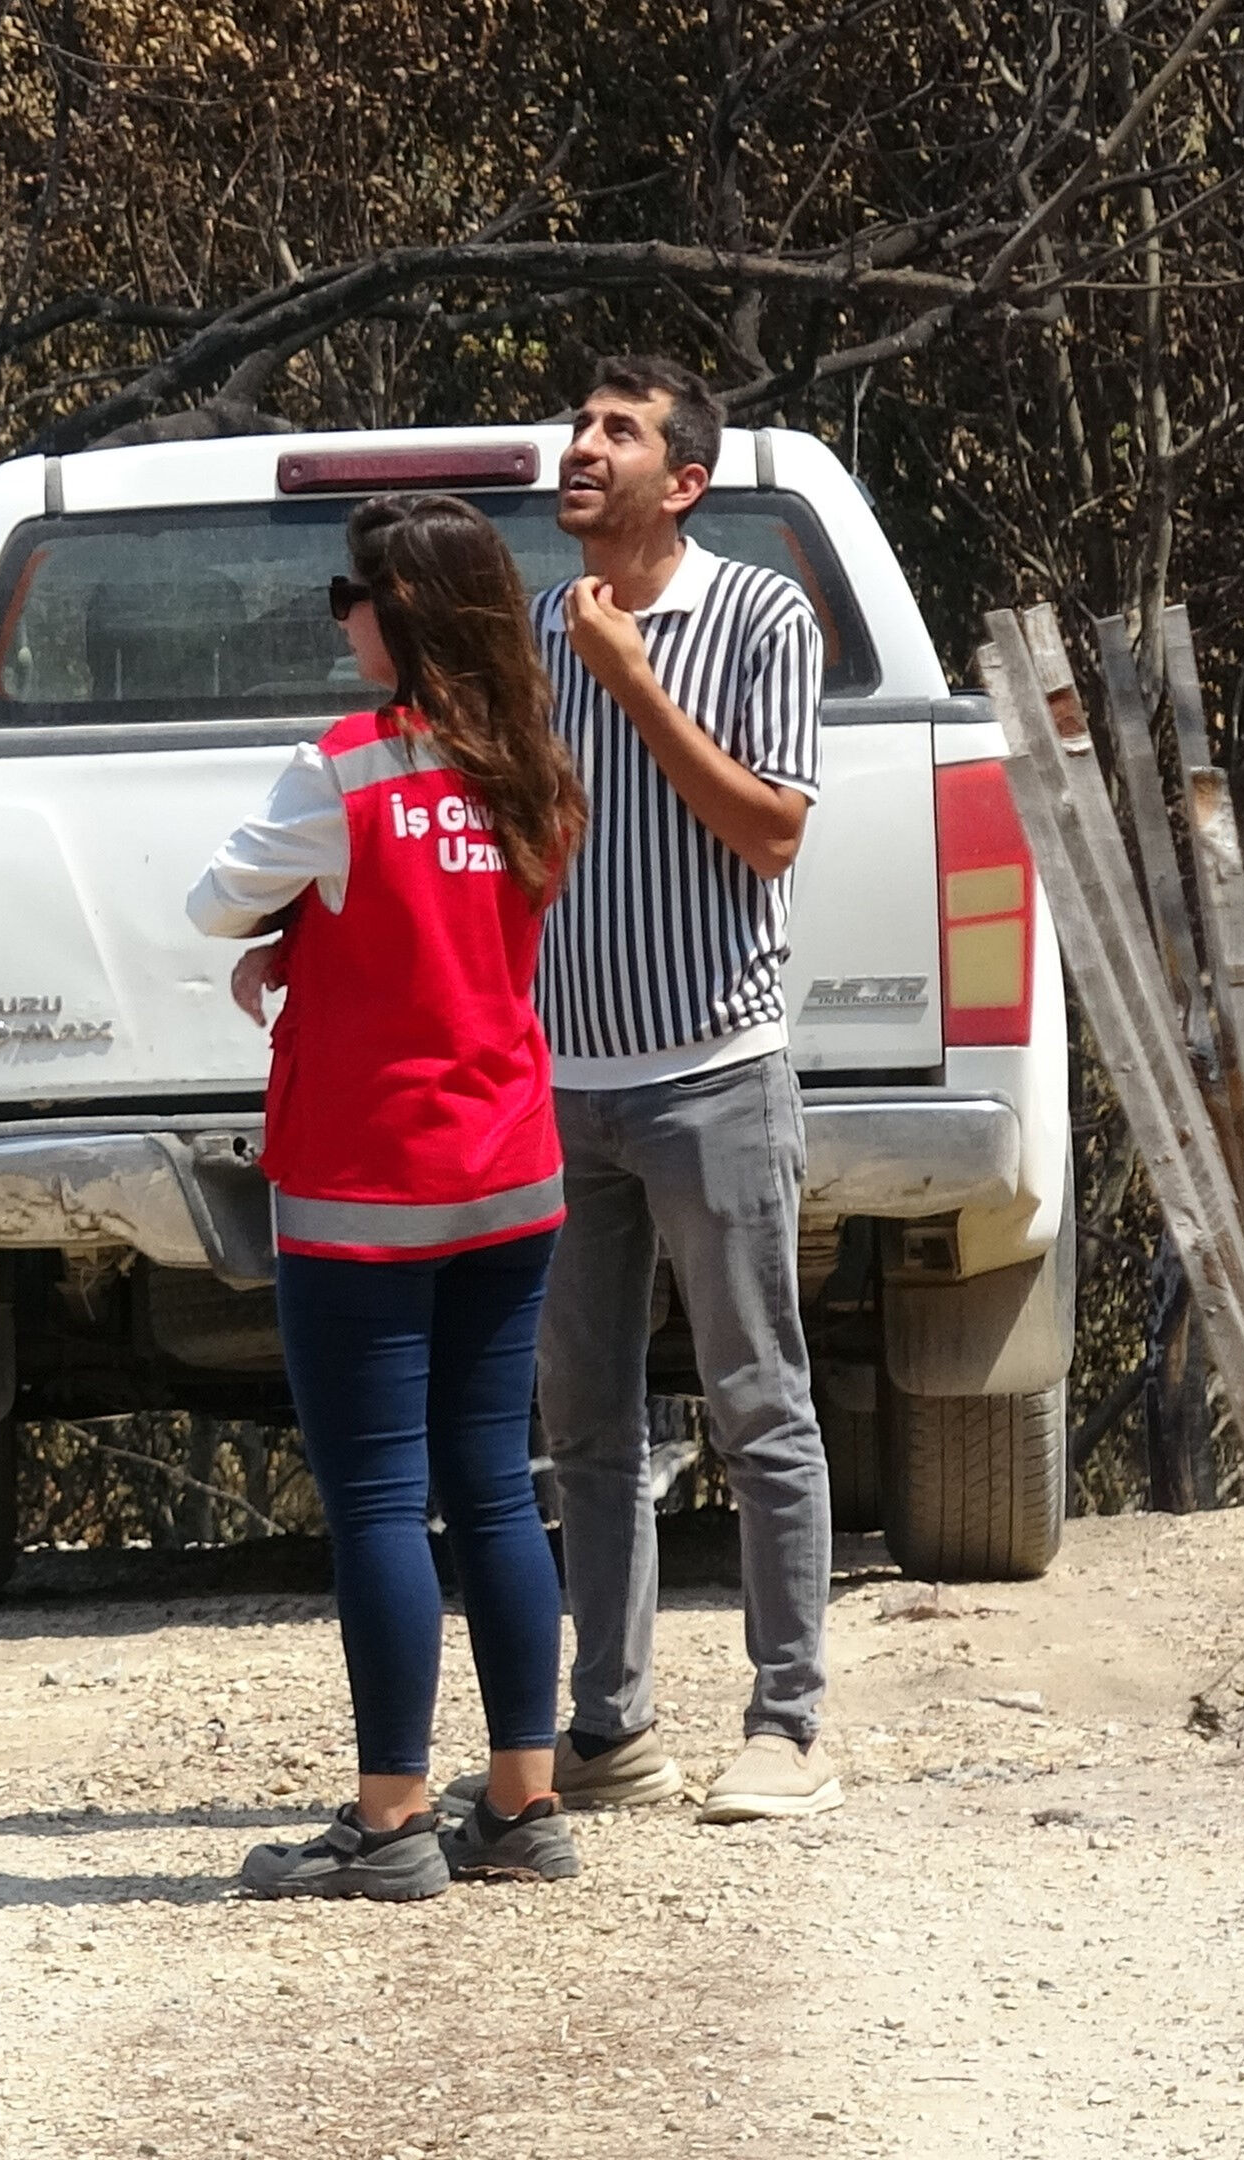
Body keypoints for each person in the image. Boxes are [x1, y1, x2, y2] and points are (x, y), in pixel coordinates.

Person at [187, 492, 590, 1900]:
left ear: (398, 615)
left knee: (375, 1501)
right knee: (495, 1488)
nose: (340, 622)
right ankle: (525, 1802)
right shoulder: (537, 771)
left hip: (366, 1183)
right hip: (509, 1171)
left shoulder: (343, 770)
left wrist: (286, 931)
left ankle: (392, 1817)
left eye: (345, 598)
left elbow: (212, 901)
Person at [521, 355, 840, 1824]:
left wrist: (632, 681)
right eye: (581, 427)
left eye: (617, 432)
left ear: (685, 482)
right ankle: (612, 1729)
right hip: (560, 1088)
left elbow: (769, 830)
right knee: (584, 1433)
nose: (582, 448)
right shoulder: (540, 626)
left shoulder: (761, 614)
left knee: (758, 1407)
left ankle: (789, 1727)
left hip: (712, 1072)